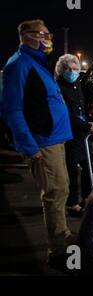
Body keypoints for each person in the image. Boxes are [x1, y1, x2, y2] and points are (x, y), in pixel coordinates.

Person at [1, 19, 75, 265]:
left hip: (54, 138)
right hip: (42, 141)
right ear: (27, 36)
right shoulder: (19, 64)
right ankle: (58, 249)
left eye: (48, 33)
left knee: (61, 188)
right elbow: (12, 109)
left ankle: (62, 232)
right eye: (43, 34)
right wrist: (30, 147)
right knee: (55, 192)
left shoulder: (36, 62)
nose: (48, 38)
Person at [55, 54, 93, 217]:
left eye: (75, 69)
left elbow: (82, 109)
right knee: (72, 170)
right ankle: (72, 203)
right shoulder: (58, 88)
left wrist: (90, 123)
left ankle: (87, 196)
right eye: (68, 69)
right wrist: (87, 127)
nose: (72, 72)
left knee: (88, 166)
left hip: (82, 132)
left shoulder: (78, 85)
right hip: (69, 134)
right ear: (61, 70)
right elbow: (66, 115)